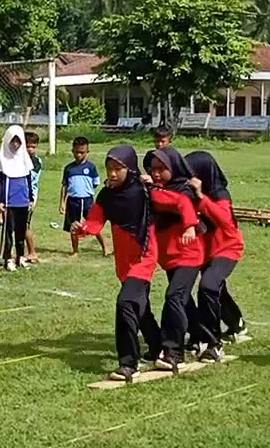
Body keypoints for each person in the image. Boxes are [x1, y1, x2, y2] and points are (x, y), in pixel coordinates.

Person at [71, 145, 161, 382]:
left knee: (125, 304)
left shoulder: (144, 191)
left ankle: (129, 363)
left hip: (144, 257)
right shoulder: (107, 195)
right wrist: (83, 229)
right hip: (124, 261)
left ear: (129, 167)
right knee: (140, 308)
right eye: (109, 169)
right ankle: (158, 347)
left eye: (117, 169)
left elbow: (173, 201)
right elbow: (95, 221)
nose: (112, 174)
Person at [143, 147, 205, 372]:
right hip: (170, 257)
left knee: (174, 297)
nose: (156, 173)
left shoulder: (183, 190)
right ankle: (203, 338)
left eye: (162, 169)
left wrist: (189, 226)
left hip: (189, 254)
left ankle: (173, 353)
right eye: (153, 169)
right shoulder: (159, 189)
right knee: (184, 299)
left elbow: (182, 204)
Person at [185, 151, 245, 362]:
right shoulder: (188, 191)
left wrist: (201, 198)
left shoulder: (221, 195)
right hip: (205, 249)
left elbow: (225, 221)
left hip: (227, 248)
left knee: (208, 286)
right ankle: (236, 323)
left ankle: (213, 343)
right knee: (216, 290)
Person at [0, 125, 35, 271]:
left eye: (18, 142)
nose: (16, 145)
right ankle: (8, 258)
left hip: (22, 201)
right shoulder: (1, 159)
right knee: (8, 231)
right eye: (13, 141)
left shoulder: (25, 159)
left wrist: (30, 198)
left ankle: (20, 256)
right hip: (8, 201)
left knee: (21, 230)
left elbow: (28, 180)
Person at [61, 136, 106, 256]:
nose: (79, 155)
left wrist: (86, 191)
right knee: (73, 226)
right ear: (72, 151)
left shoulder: (91, 167)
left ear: (87, 152)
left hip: (87, 200)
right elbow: (64, 186)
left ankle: (105, 248)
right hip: (73, 201)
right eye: (77, 152)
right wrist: (62, 202)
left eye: (82, 152)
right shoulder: (68, 168)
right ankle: (75, 250)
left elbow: (95, 183)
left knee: (93, 225)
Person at [24, 130, 42, 263]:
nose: (30, 149)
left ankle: (32, 252)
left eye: (33, 147)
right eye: (27, 146)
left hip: (30, 197)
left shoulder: (36, 162)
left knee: (25, 225)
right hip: (19, 195)